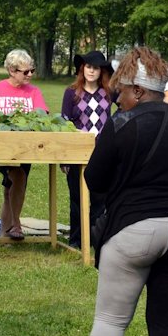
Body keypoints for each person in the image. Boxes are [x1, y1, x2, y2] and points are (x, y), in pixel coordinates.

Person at [85, 47, 168, 336]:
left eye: (123, 90)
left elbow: (94, 178)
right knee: (166, 328)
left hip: (133, 227)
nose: (118, 97)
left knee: (110, 322)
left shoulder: (122, 123)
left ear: (138, 91)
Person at [0, 49, 48, 241]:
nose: (30, 75)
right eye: (25, 72)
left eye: (32, 70)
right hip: (0, 148)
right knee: (16, 175)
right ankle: (15, 224)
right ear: (11, 70)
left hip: (26, 148)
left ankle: (4, 234)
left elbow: (42, 117)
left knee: (11, 187)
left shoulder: (34, 92)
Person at [60, 50, 113, 249]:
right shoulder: (71, 92)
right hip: (77, 152)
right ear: (83, 68)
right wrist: (64, 157)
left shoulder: (108, 92)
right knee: (77, 198)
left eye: (96, 68)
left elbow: (126, 107)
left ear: (102, 71)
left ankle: (93, 238)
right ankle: (76, 239)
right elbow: (63, 123)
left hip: (102, 153)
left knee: (100, 199)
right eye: (89, 67)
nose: (92, 71)